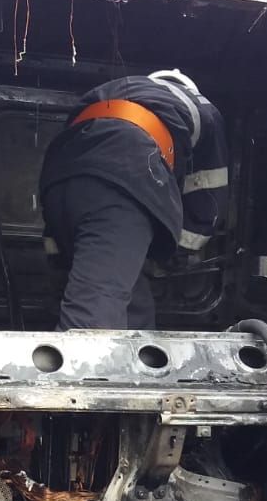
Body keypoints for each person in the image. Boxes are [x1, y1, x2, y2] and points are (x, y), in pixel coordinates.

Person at [38, 70, 228, 330]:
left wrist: (59, 256)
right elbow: (209, 193)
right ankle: (78, 356)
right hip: (121, 179)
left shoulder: (114, 90)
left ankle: (140, 354)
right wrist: (176, 254)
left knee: (133, 304)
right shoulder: (203, 108)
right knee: (94, 311)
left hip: (57, 180)